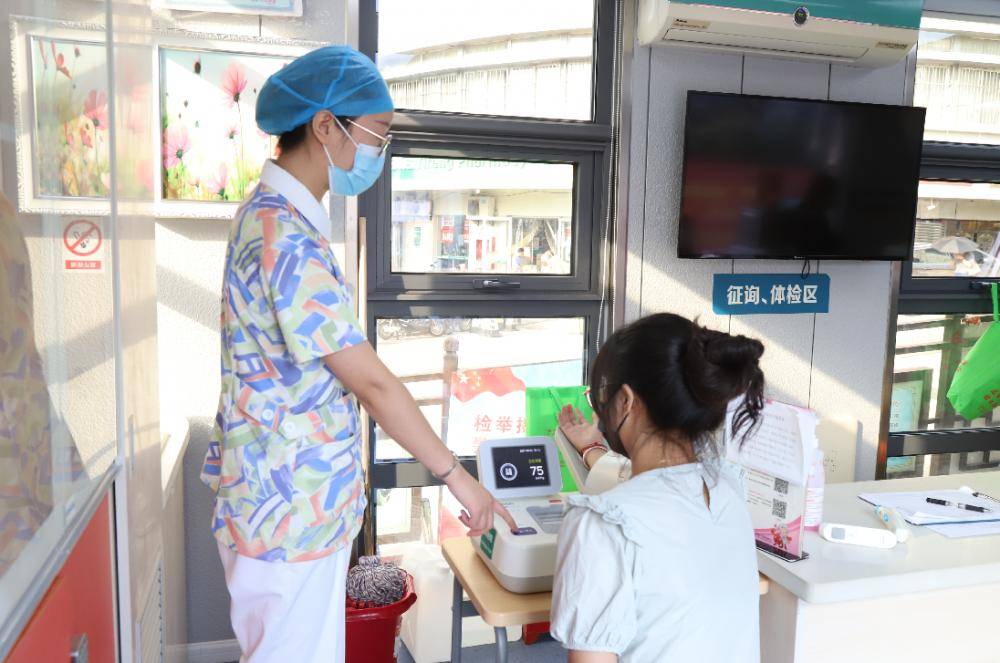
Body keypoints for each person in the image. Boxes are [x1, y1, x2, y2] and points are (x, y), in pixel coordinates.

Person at [200, 46, 514, 663]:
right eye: (378, 132)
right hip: (287, 511)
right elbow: (374, 386)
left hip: (288, 502)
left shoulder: (277, 219)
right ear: (326, 126)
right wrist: (460, 481)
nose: (378, 149)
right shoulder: (287, 238)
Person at [551, 313, 765, 663]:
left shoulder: (601, 527)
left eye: (600, 398)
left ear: (626, 401)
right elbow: (651, 488)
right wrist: (592, 451)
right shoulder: (728, 490)